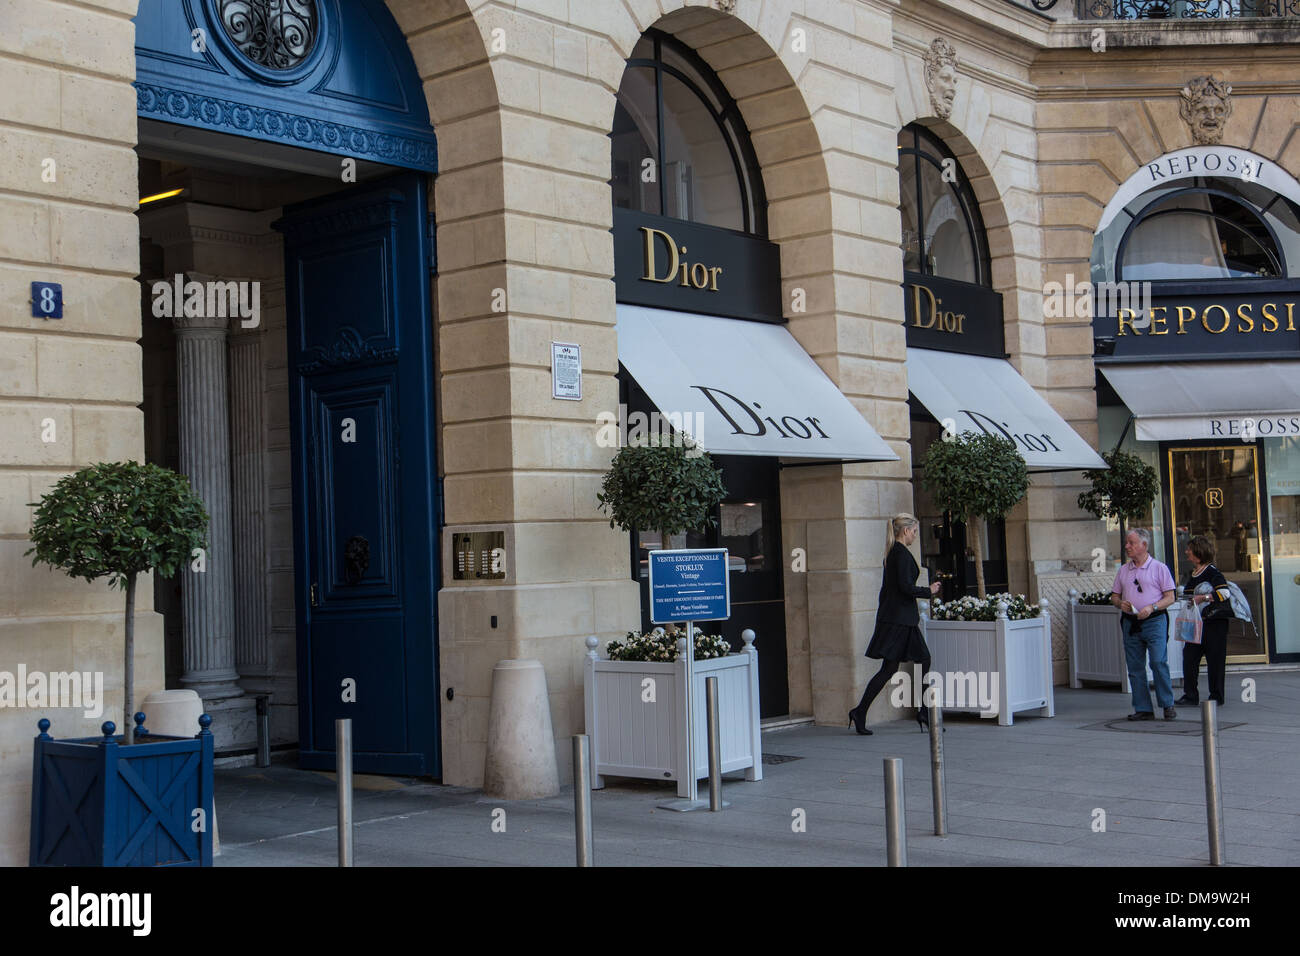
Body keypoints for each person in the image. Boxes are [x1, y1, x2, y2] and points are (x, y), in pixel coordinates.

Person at [848, 513, 942, 735]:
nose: (916, 536)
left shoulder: (895, 553)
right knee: (904, 665)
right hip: (899, 621)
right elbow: (905, 587)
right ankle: (920, 712)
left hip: (900, 620)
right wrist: (929, 591)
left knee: (895, 667)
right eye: (915, 532)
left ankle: (862, 712)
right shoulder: (899, 554)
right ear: (906, 530)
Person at [1111, 528, 1178, 720]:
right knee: (1134, 666)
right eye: (1127, 543)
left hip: (1155, 621)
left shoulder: (1159, 568)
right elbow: (1114, 596)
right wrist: (1119, 603)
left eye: (1131, 543)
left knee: (1158, 661)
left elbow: (1170, 597)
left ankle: (1167, 704)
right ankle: (1143, 708)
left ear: (1144, 545)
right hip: (1131, 622)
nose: (1127, 547)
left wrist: (1152, 607)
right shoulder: (1124, 570)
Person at [1177, 535, 1231, 707]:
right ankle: (1190, 695)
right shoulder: (1193, 573)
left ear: (1198, 552)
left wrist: (1203, 597)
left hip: (1214, 623)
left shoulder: (1212, 572)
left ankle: (1217, 696)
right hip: (1196, 623)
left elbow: (1224, 593)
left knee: (1215, 660)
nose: (1186, 552)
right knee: (1189, 657)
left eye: (1189, 549)